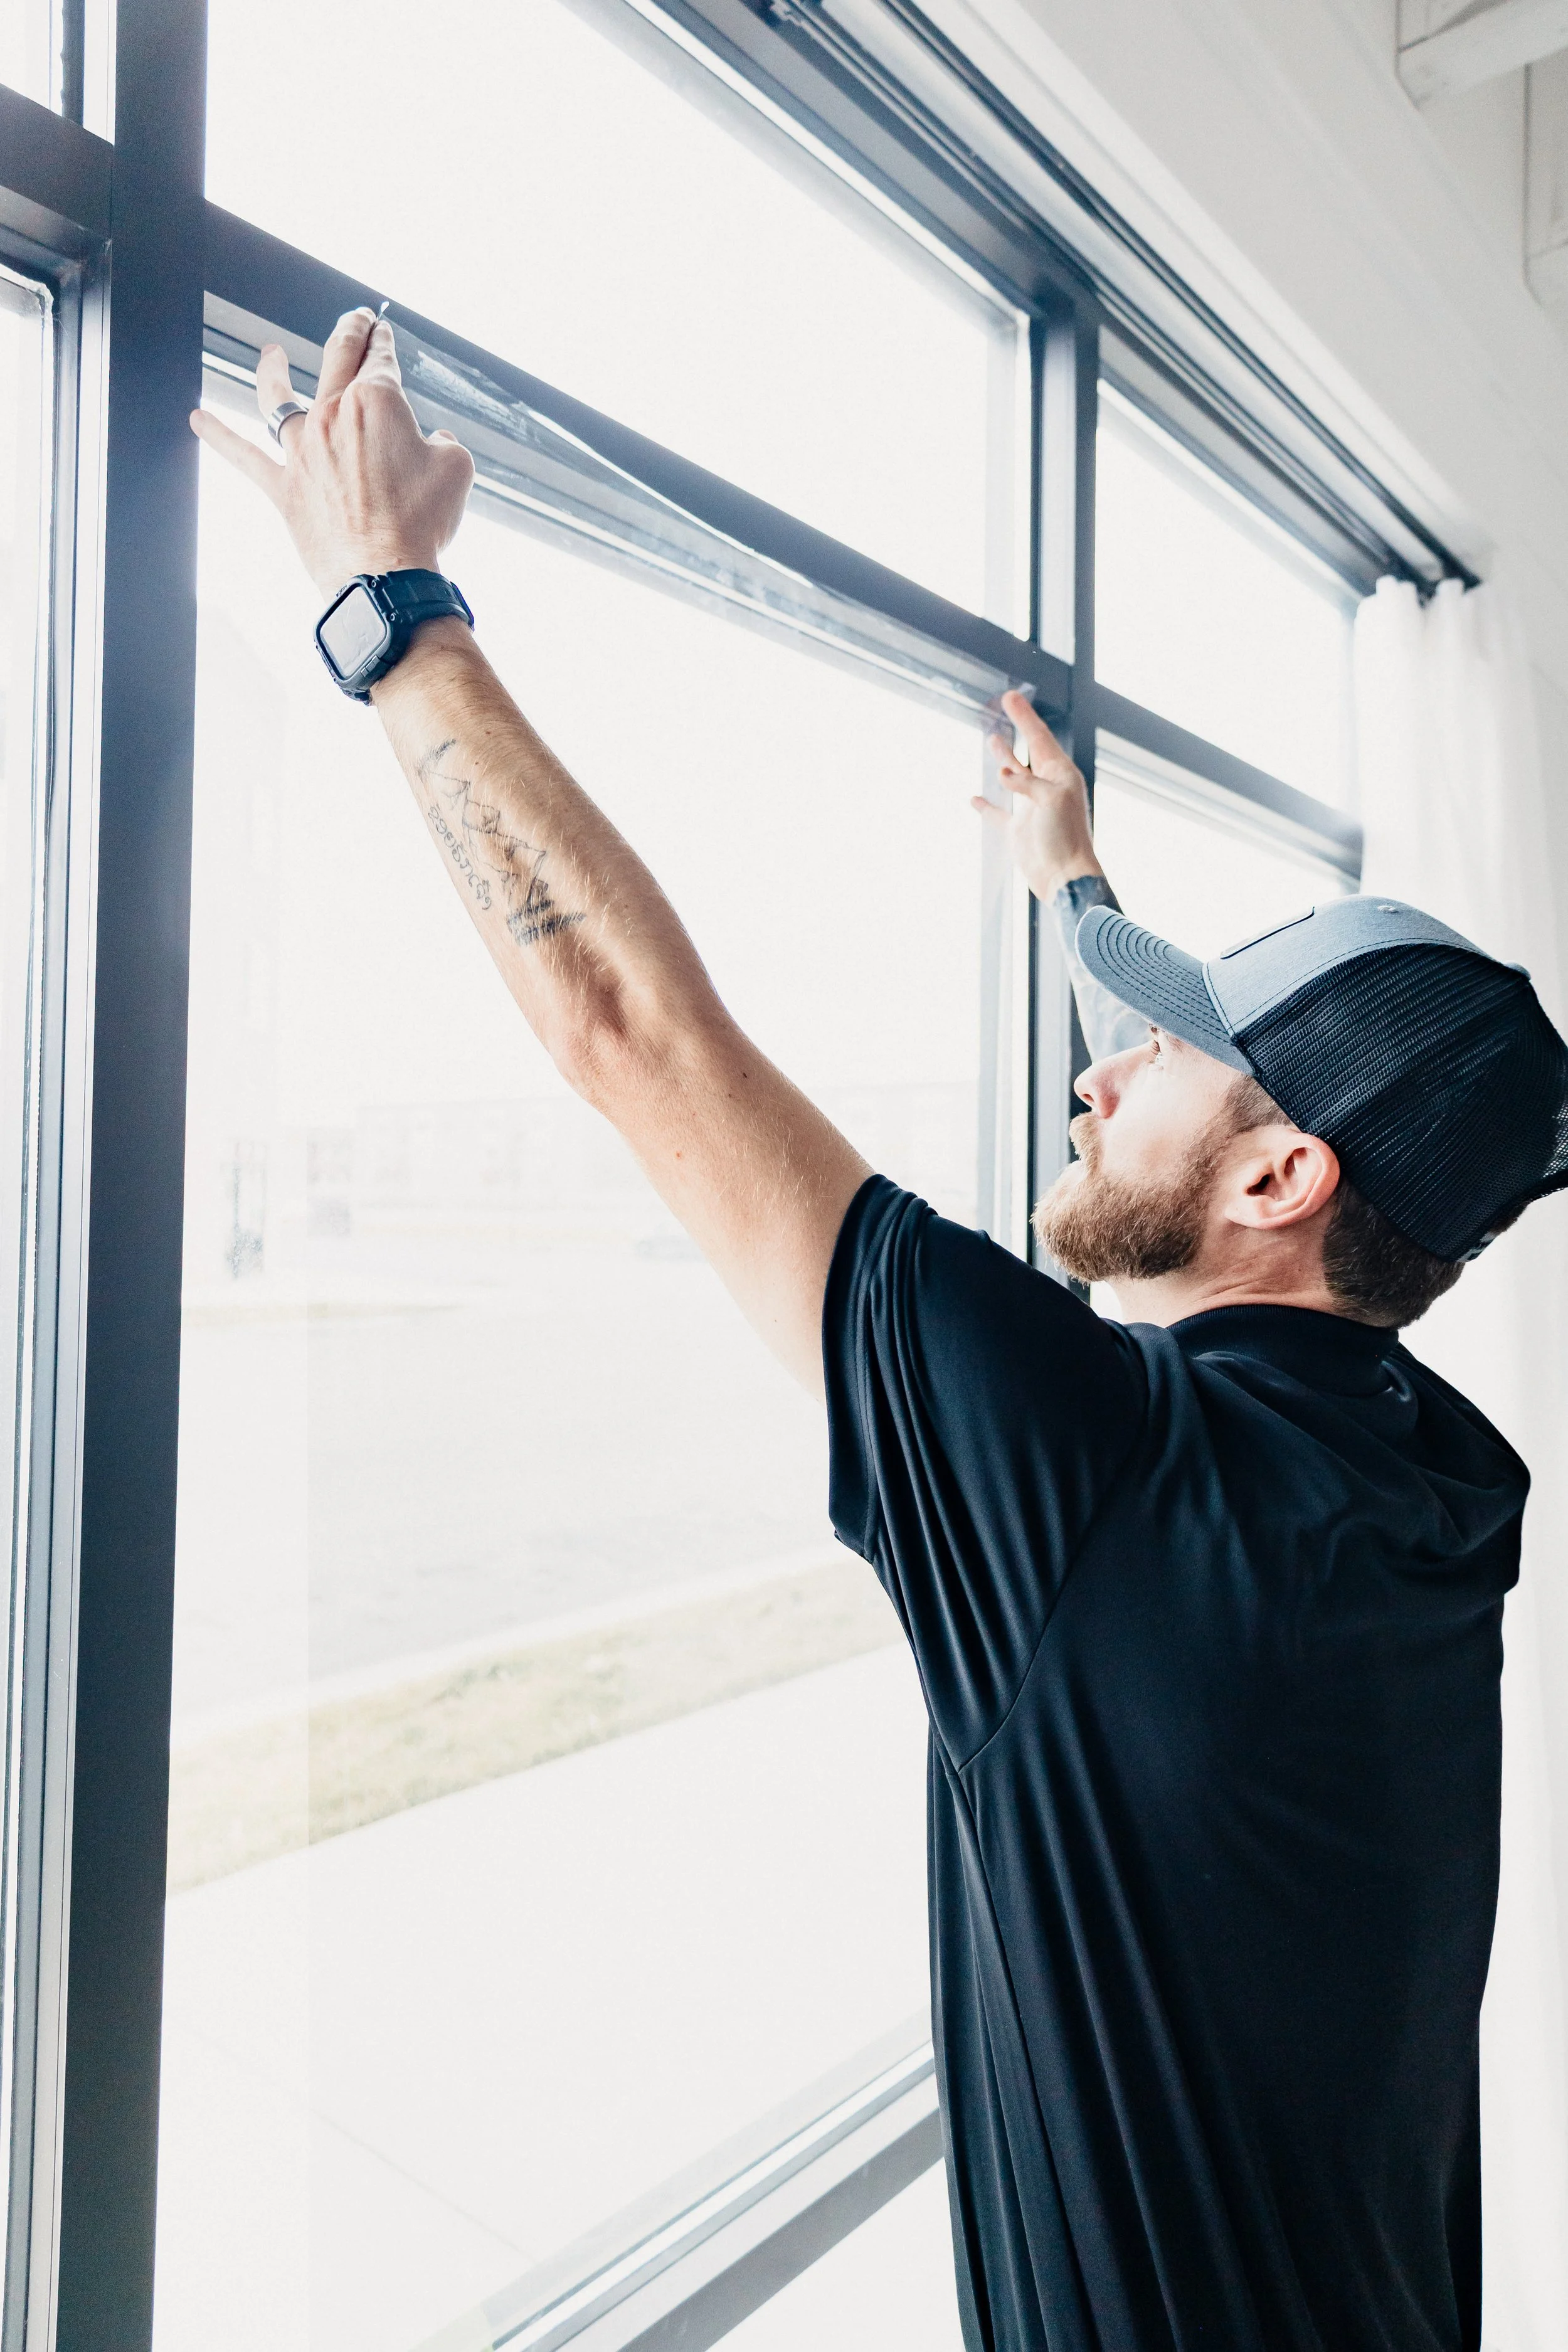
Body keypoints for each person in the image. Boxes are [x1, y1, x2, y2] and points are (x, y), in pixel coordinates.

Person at [193, 308, 1568, 2352]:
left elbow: (630, 1033)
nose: (1094, 1079)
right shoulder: (1425, 1478)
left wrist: (388, 606)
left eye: (1159, 1053)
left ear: (1282, 1183)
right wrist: (1073, 877)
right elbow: (1210, 1126)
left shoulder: (1102, 1474)